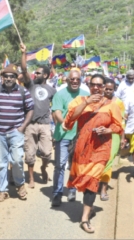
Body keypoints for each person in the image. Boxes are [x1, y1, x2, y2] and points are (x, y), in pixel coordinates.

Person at [64, 74, 123, 233]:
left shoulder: (111, 105)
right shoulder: (79, 100)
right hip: (82, 149)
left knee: (92, 181)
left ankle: (84, 219)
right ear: (89, 86)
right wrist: (85, 103)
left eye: (99, 85)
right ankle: (89, 208)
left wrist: (108, 129)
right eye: (93, 85)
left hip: (101, 148)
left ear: (104, 87)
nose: (96, 88)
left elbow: (118, 126)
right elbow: (69, 121)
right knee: (83, 180)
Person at [0, 64, 34, 202]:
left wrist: (23, 127)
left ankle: (20, 185)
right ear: (2, 78)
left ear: (16, 78)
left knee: (17, 160)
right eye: (6, 76)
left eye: (12, 76)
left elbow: (30, 109)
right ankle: (2, 190)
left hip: (16, 132)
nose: (9, 79)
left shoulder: (23, 91)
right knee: (1, 163)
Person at [19, 43, 56, 189]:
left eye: (39, 73)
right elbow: (23, 69)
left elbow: (56, 108)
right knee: (30, 153)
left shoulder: (52, 90)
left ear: (45, 75)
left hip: (45, 124)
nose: (36, 75)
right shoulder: (30, 85)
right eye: (36, 73)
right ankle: (32, 178)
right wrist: (24, 53)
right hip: (30, 124)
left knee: (47, 153)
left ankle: (43, 168)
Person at [50, 68, 89, 206]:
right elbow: (57, 112)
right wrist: (63, 123)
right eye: (72, 79)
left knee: (74, 164)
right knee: (60, 165)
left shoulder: (86, 95)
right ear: (67, 80)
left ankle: (72, 189)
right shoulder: (60, 94)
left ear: (81, 80)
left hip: (79, 136)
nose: (74, 81)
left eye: (77, 79)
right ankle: (57, 193)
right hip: (63, 135)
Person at [99, 79, 126, 201]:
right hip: (98, 134)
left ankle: (103, 188)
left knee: (109, 161)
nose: (108, 91)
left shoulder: (119, 103)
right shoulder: (97, 100)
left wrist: (122, 138)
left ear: (114, 89)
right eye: (106, 88)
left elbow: (122, 122)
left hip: (114, 134)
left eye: (111, 89)